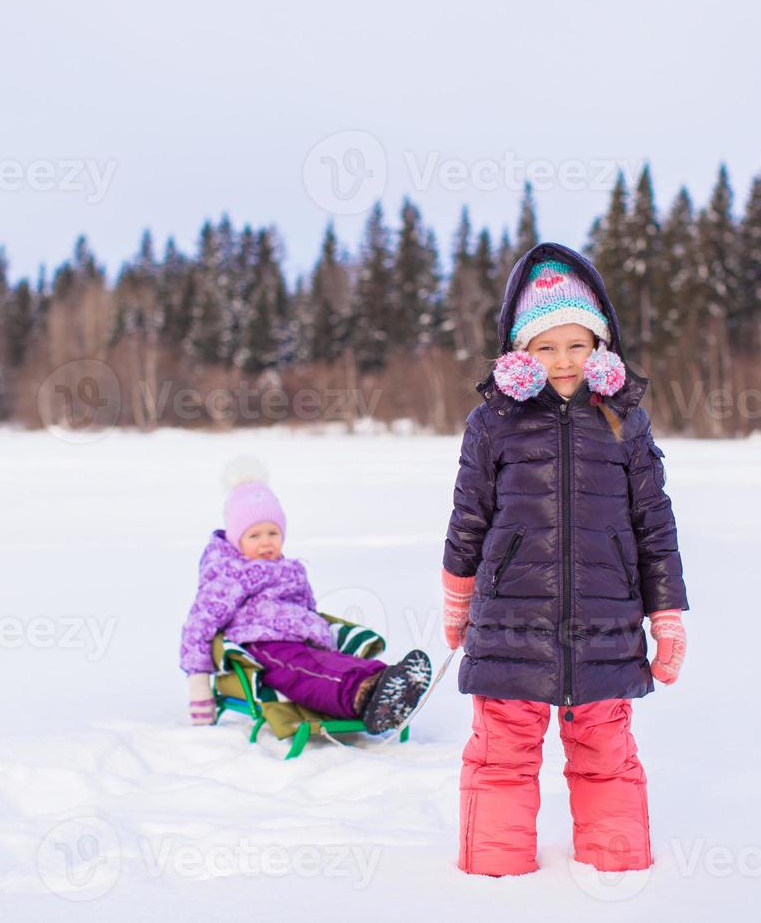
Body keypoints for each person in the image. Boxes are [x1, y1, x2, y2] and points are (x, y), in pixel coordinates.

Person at [439, 243, 689, 876]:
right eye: (545, 348)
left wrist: (666, 616)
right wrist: (458, 600)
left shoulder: (624, 421)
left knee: (606, 750)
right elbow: (469, 515)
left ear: (601, 347)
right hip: (509, 619)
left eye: (577, 345)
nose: (562, 362)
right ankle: (494, 881)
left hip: (605, 620)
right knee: (501, 753)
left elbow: (653, 523)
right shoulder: (493, 421)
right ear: (520, 355)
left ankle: (618, 866)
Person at [182, 457, 432, 734]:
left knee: (332, 662)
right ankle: (363, 695)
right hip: (262, 644)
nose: (266, 541)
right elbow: (199, 623)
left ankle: (385, 680)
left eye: (273, 532)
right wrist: (199, 680)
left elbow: (309, 607)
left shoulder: (290, 570)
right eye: (254, 536)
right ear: (236, 540)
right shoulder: (230, 574)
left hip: (305, 639)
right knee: (306, 672)